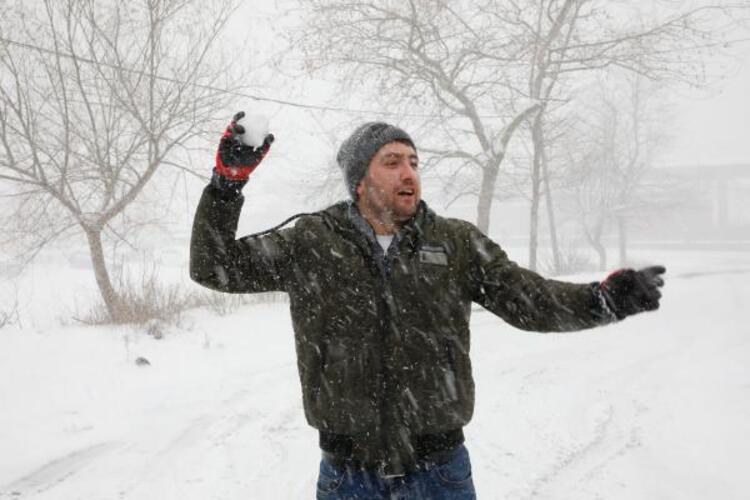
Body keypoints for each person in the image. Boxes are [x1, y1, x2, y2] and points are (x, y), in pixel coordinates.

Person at [190, 113, 666, 499]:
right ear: (360, 181)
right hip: (348, 477)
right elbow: (214, 266)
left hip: (439, 474)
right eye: (392, 161)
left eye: (414, 162)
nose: (409, 173)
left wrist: (602, 300)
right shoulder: (313, 242)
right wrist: (226, 184)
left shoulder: (454, 243)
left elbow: (530, 300)